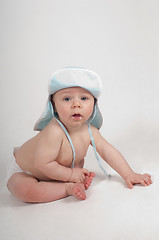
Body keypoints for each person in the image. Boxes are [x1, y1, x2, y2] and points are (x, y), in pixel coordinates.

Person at [7, 67, 152, 203]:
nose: (76, 104)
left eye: (84, 98)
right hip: (26, 171)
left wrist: (129, 174)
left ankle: (65, 180)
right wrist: (70, 175)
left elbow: (108, 151)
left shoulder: (90, 130)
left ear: (94, 104)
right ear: (54, 106)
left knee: (78, 162)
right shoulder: (54, 131)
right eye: (67, 99)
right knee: (25, 190)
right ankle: (66, 188)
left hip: (57, 171)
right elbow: (42, 164)